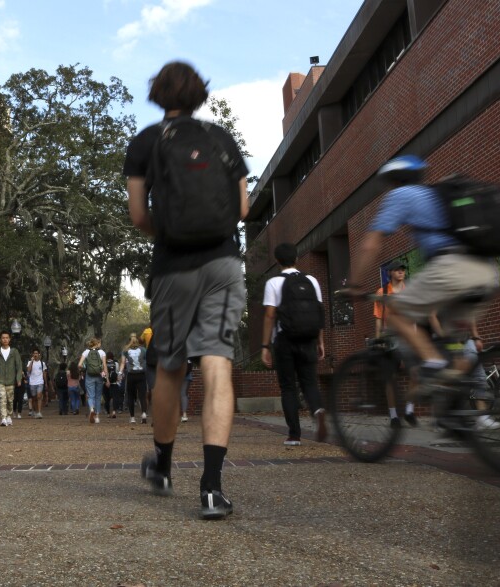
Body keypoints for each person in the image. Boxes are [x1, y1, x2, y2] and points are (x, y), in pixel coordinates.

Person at [124, 61, 249, 520]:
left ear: (157, 95)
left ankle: (162, 465)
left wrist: (172, 232)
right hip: (223, 263)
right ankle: (213, 488)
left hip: (173, 268)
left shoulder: (145, 142)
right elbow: (242, 207)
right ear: (201, 94)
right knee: (217, 365)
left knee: (171, 369)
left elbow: (139, 216)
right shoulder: (221, 140)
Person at [345, 155, 500, 394]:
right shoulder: (435, 195)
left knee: (395, 311)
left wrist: (354, 284)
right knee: (452, 346)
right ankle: (463, 421)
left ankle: (432, 362)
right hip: (486, 272)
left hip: (453, 268)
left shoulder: (401, 195)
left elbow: (371, 244)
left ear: (393, 180)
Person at [260, 243, 327, 445]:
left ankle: (294, 435)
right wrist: (320, 341)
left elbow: (270, 315)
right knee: (309, 382)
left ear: (277, 261)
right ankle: (318, 410)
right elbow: (319, 312)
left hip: (284, 340)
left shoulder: (273, 283)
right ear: (296, 259)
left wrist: (265, 346)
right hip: (308, 338)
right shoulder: (312, 281)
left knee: (288, 387)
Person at [374, 260, 418, 429]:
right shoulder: (382, 292)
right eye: (397, 270)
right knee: (390, 378)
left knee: (415, 373)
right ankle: (393, 416)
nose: (401, 272)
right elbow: (378, 319)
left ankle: (409, 410)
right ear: (390, 273)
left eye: (403, 270)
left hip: (406, 337)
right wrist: (378, 340)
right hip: (388, 338)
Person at [0, 330, 23, 427]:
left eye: (7, 338)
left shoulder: (14, 352)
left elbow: (19, 366)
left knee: (10, 400)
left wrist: (18, 378)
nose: (5, 339)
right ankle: (3, 418)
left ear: (9, 339)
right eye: (3, 338)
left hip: (11, 380)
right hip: (0, 380)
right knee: (2, 398)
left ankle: (9, 415)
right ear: (0, 339)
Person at [120, 335, 148, 424]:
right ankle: (143, 413)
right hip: (141, 375)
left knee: (131, 397)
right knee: (142, 396)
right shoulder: (143, 350)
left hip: (131, 375)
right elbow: (148, 360)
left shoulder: (125, 351)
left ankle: (132, 417)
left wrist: (120, 373)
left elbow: (123, 363)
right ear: (138, 341)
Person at [78, 338, 107, 424]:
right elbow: (104, 366)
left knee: (91, 396)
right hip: (99, 376)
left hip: (89, 375)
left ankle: (91, 409)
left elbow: (79, 365)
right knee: (98, 396)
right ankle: (97, 416)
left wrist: (85, 368)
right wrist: (107, 378)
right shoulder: (102, 352)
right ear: (97, 343)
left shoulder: (86, 352)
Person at [26, 348, 47, 419]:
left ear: (39, 354)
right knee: (34, 398)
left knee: (39, 396)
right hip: (32, 383)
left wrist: (45, 382)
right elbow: (28, 371)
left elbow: (44, 373)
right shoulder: (29, 362)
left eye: (36, 353)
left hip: (40, 382)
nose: (35, 354)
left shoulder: (42, 363)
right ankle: (35, 410)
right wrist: (31, 362)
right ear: (32, 354)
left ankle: (39, 412)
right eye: (34, 353)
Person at [104, 351, 121, 418]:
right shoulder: (116, 363)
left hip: (106, 384)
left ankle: (108, 413)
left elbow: (103, 373)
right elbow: (117, 372)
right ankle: (114, 411)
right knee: (115, 398)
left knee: (107, 399)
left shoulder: (104, 363)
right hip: (114, 383)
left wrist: (105, 381)